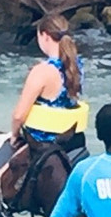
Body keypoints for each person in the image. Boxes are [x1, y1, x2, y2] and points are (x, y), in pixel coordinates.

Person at [10, 14, 87, 146]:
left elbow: (18, 116)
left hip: (43, 145)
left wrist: (14, 136)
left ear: (45, 36)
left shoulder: (42, 71)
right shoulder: (77, 65)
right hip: (73, 140)